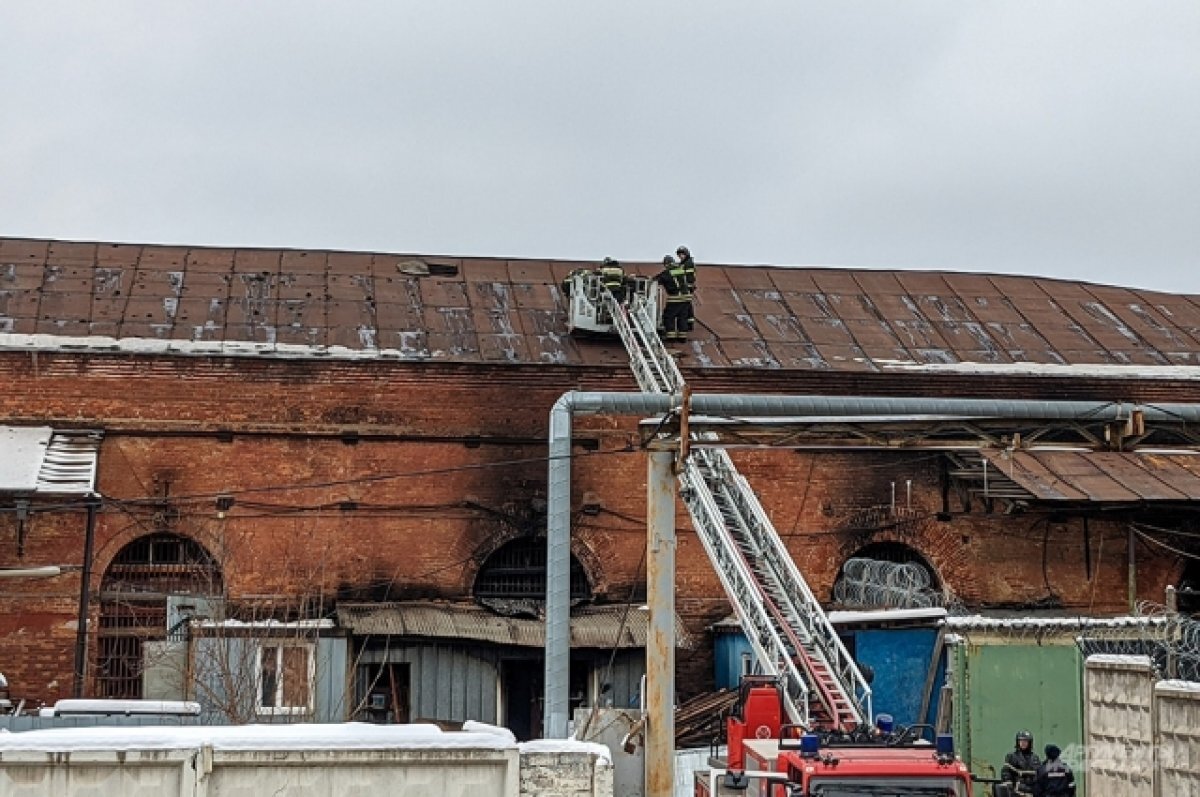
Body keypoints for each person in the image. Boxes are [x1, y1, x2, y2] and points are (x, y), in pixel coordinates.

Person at [655, 254, 692, 341]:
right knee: (682, 317)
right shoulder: (681, 270)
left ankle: (670, 336)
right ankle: (682, 337)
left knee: (669, 316)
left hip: (676, 298)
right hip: (686, 297)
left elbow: (657, 280)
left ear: (666, 264)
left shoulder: (667, 273)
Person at [1001, 730, 1040, 795]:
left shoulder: (1035, 758)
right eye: (1021, 741)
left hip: (1032, 789)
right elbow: (1006, 772)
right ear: (1018, 742)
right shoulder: (1011, 756)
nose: (1023, 743)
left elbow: (1039, 773)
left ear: (1029, 743)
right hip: (1017, 789)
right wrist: (1009, 783)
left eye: (1025, 741)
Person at [675, 245, 697, 333]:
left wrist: (672, 272)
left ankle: (689, 324)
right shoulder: (683, 263)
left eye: (682, 254)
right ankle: (689, 323)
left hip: (687, 287)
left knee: (686, 305)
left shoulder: (688, 263)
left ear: (686, 254)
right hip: (685, 287)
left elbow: (686, 275)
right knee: (687, 304)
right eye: (679, 254)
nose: (680, 256)